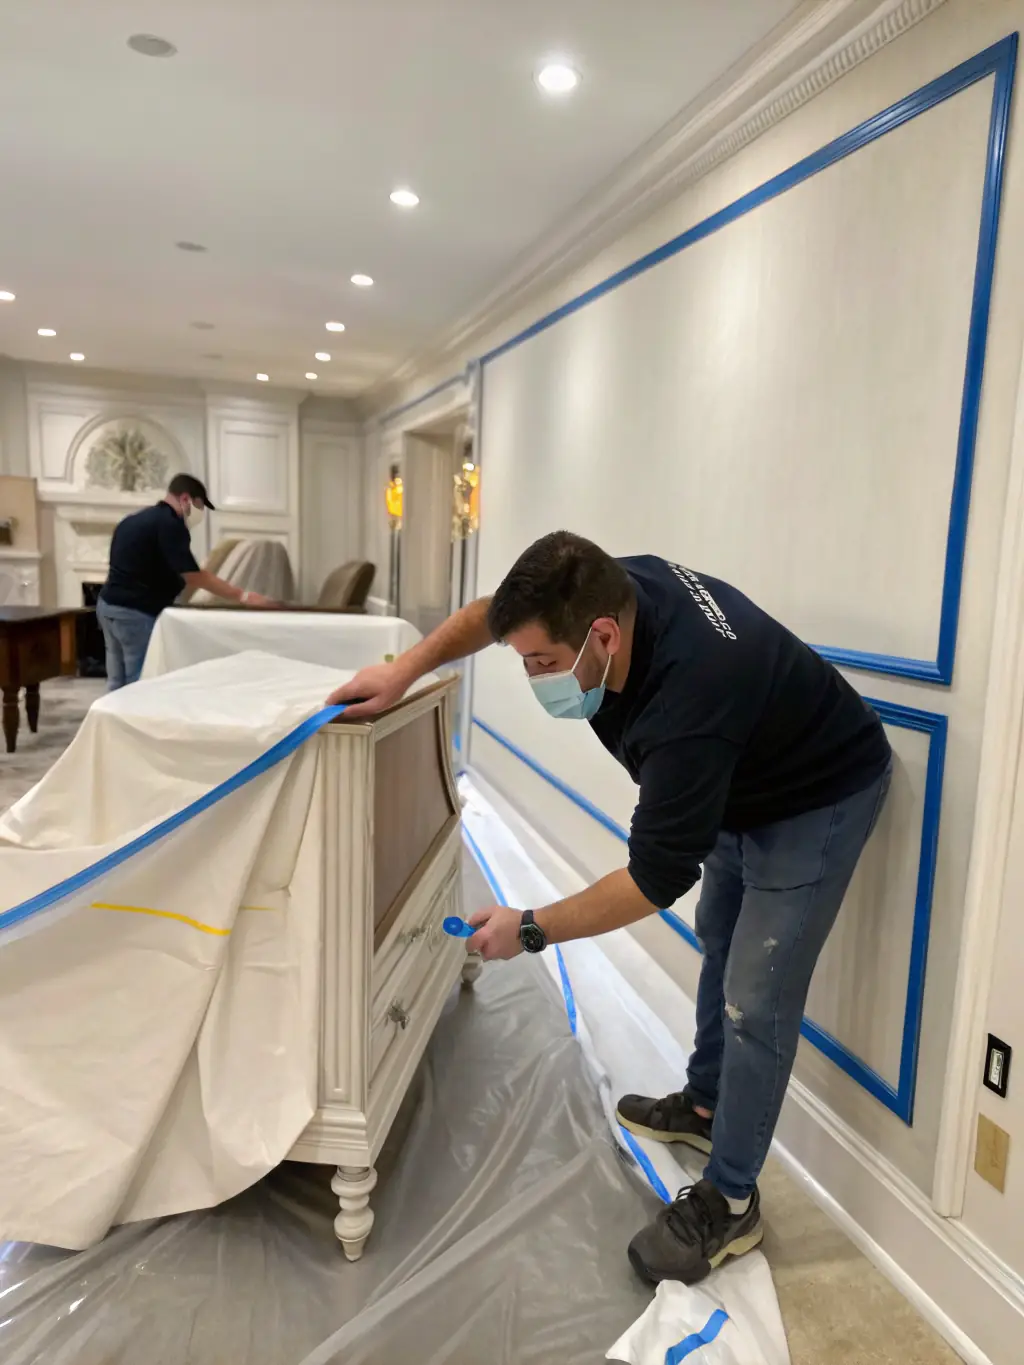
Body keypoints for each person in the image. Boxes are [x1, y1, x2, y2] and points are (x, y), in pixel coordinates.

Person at [327, 532, 891, 1287]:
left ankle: (731, 1201)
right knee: (719, 933)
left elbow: (653, 880)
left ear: (604, 636)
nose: (532, 678)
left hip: (818, 795)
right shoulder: (595, 588)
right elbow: (487, 615)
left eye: (542, 663)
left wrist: (531, 927)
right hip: (744, 772)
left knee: (756, 998)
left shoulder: (690, 704)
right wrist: (401, 671)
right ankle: (704, 1106)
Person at [97, 473, 276, 689]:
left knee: (116, 681)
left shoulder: (133, 520)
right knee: (140, 681)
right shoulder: (170, 525)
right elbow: (192, 574)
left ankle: (112, 710)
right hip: (136, 613)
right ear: (185, 499)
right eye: (198, 507)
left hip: (108, 606)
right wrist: (242, 596)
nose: (199, 514)